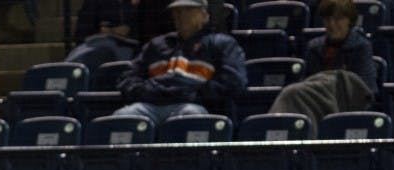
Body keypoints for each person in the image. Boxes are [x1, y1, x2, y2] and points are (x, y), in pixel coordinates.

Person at [113, 0, 246, 126]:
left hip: (194, 105)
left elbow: (234, 81)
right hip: (152, 105)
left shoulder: (221, 43)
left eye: (188, 10)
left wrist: (194, 94)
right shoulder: (157, 44)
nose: (181, 16)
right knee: (124, 115)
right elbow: (127, 78)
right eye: (177, 12)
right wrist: (147, 92)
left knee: (191, 115)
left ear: (205, 16)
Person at [268, 0, 377, 135]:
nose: (332, 25)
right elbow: (307, 82)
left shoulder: (361, 46)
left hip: (342, 102)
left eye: (338, 20)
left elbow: (365, 88)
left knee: (291, 93)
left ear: (349, 21)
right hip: (314, 100)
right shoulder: (314, 47)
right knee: (293, 95)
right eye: (327, 20)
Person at [68, 0, 140, 72]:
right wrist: (107, 32)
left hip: (126, 50)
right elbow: (81, 34)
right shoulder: (94, 3)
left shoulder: (137, 5)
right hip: (95, 46)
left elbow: (143, 37)